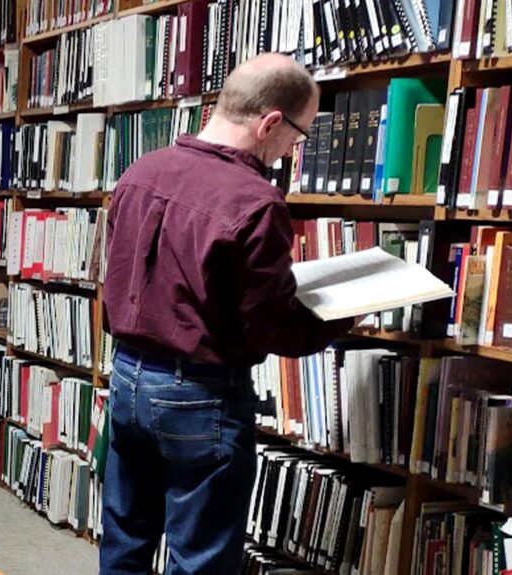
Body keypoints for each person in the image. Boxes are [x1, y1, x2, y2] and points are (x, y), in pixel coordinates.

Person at [100, 54, 355, 574]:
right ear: (270, 123)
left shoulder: (141, 170)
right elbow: (271, 327)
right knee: (201, 559)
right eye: (298, 137)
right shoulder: (257, 202)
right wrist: (345, 313)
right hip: (199, 396)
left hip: (126, 378)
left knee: (125, 539)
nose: (290, 151)